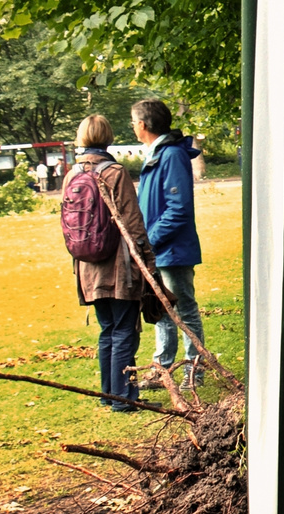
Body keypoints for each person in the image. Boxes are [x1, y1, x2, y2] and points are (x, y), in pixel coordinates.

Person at [67, 115, 157, 413]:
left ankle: (109, 394)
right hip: (118, 266)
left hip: (86, 267)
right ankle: (124, 398)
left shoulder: (71, 175)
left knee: (107, 330)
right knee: (123, 330)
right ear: (109, 137)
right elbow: (133, 222)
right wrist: (148, 264)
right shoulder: (114, 173)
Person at [130, 98, 204, 389]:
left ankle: (193, 371)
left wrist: (149, 241)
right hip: (157, 251)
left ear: (144, 124)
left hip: (171, 251)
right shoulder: (155, 153)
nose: (133, 126)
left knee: (184, 309)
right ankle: (163, 370)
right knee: (159, 310)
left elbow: (178, 209)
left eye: (134, 121)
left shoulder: (171, 155)